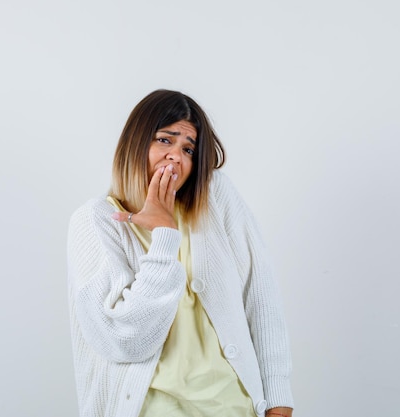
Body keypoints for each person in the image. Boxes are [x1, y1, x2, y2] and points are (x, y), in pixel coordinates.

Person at [67, 89, 294, 417]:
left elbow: (261, 299)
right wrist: (164, 236)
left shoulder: (217, 198)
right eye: (164, 140)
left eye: (188, 148)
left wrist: (278, 402)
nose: (176, 156)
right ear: (134, 143)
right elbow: (123, 340)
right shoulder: (95, 221)